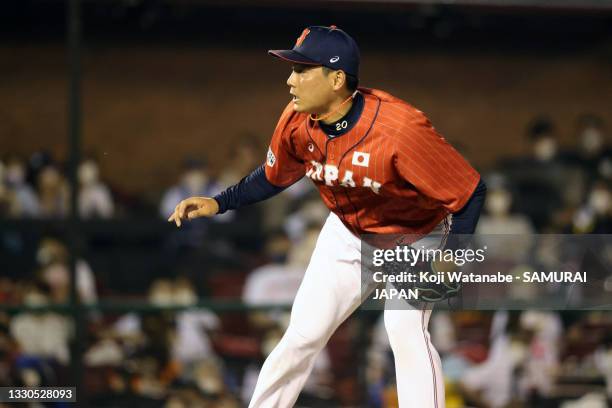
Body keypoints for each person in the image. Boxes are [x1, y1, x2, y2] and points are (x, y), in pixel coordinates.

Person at [168, 25, 486, 407]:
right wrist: (220, 202)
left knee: (403, 327)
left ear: (336, 79)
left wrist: (452, 253)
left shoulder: (399, 129)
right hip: (348, 233)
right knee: (302, 335)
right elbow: (272, 176)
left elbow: (470, 191)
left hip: (415, 235)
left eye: (302, 70)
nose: (290, 80)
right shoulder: (297, 119)